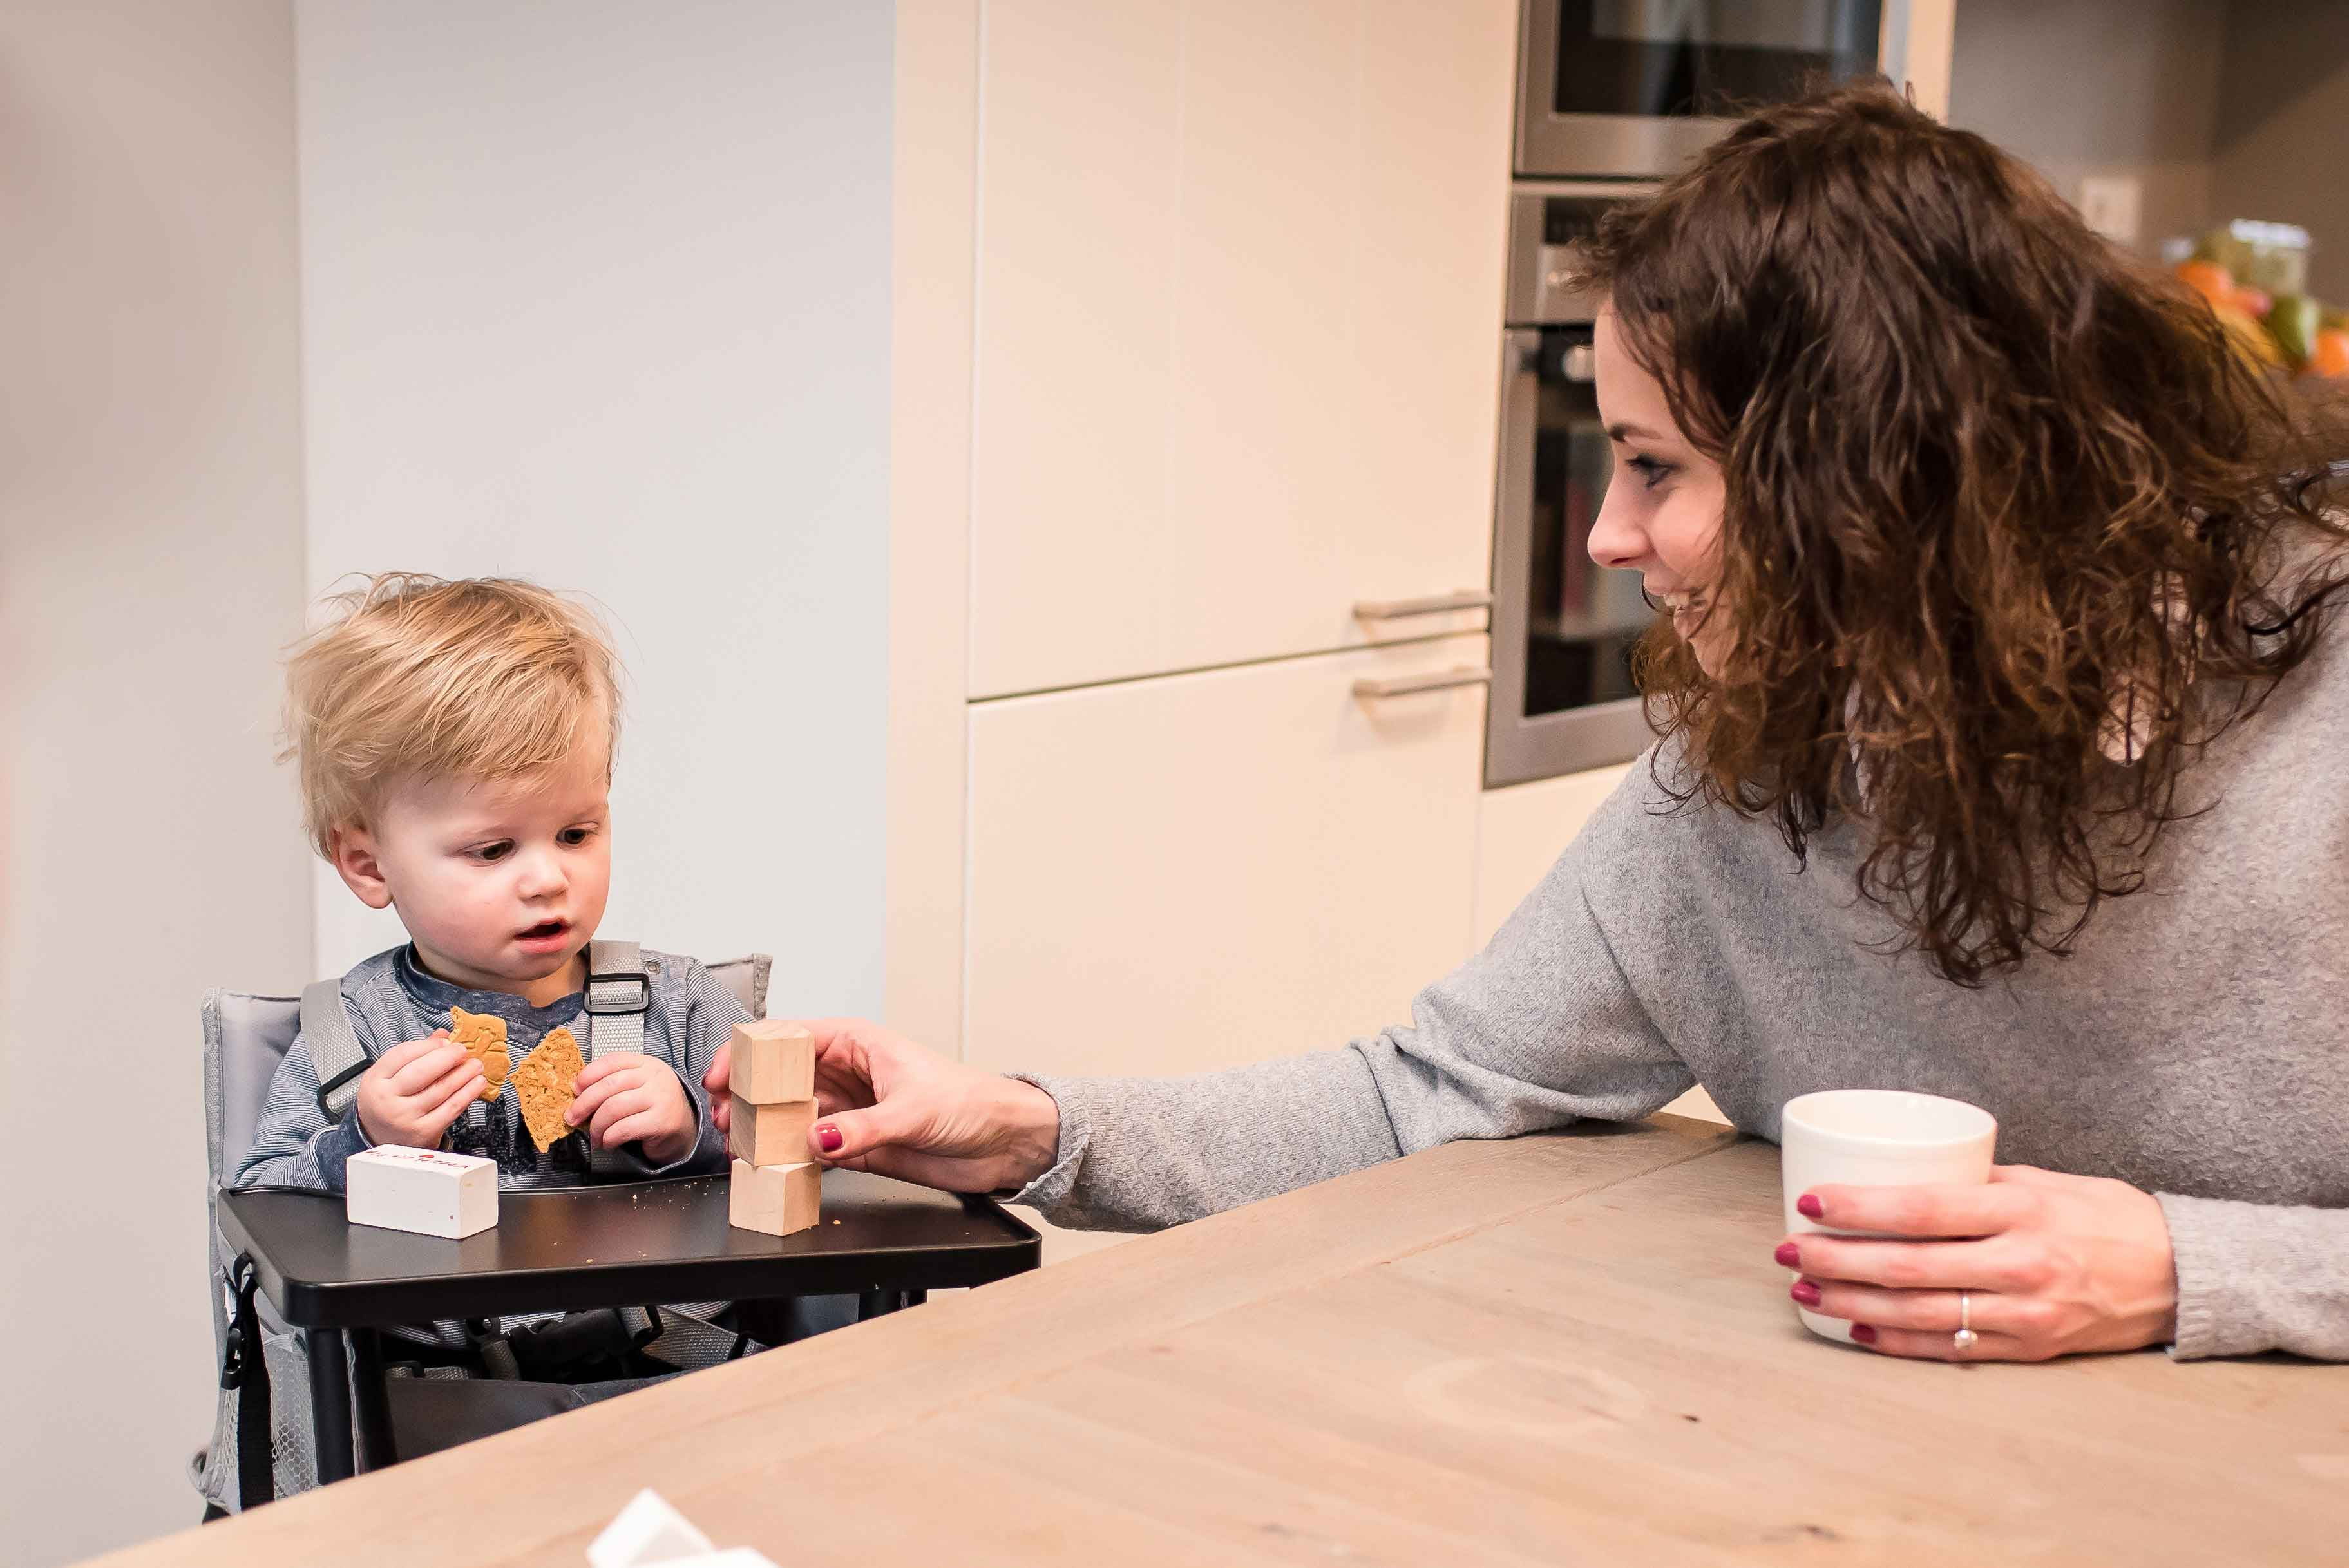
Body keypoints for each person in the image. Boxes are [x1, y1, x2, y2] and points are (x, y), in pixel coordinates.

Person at [711, 84, 2349, 1364]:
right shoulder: (1744, 776)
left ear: (1873, 475)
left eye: (1654, 467)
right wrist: (1028, 1125)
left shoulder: (2316, 715)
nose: (1607, 537)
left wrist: (2191, 1264)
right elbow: (1426, 1094)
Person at [236, 573, 759, 1382]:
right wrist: (363, 1142)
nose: (548, 878)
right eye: (493, 849)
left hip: (667, 1373)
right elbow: (262, 1208)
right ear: (369, 864)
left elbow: (792, 1161)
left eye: (576, 833)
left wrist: (690, 1127)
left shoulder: (680, 1002)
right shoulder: (354, 1031)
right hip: (443, 1403)